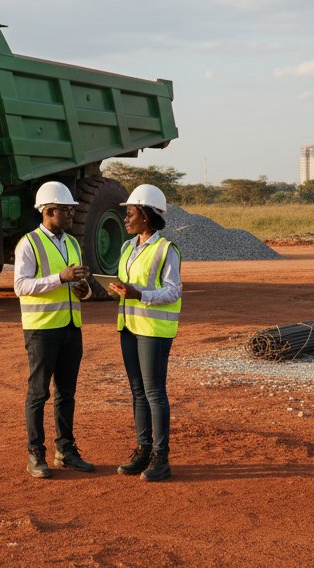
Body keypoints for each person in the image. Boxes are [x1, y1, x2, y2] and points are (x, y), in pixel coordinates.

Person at [14, 181, 96, 479]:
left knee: (67, 393)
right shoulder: (29, 243)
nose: (71, 215)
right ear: (49, 211)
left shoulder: (72, 243)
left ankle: (66, 450)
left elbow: (76, 289)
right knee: (38, 394)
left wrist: (82, 289)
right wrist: (59, 278)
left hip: (71, 328)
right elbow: (20, 286)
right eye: (66, 210)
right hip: (42, 331)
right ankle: (36, 454)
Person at [107, 184, 182, 482]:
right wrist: (118, 290)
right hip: (129, 327)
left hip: (153, 329)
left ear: (146, 216)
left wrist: (140, 294)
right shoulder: (128, 248)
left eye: (130, 213)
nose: (125, 219)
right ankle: (143, 450)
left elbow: (173, 291)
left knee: (154, 393)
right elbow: (128, 286)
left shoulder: (166, 249)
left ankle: (160, 458)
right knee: (138, 392)